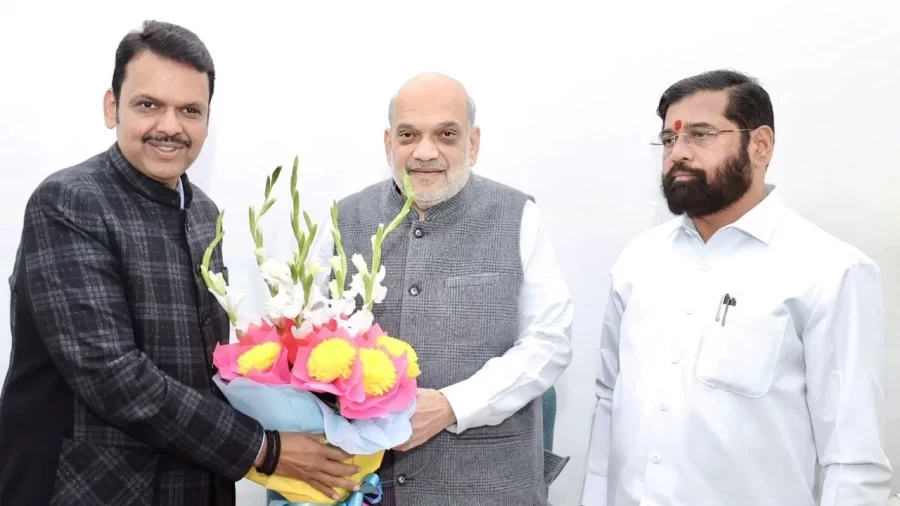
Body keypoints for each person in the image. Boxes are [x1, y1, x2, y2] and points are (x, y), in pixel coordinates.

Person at [0, 20, 362, 506]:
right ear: (111, 107)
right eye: (149, 105)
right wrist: (265, 449)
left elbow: (206, 367)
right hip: (92, 487)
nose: (170, 127)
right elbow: (111, 375)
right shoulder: (69, 202)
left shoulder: (203, 213)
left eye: (190, 110)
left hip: (195, 482)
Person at [582, 69, 892, 506]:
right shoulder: (639, 261)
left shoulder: (829, 271)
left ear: (760, 145)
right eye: (669, 139)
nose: (678, 153)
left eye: (701, 134)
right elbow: (609, 403)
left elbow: (852, 460)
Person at [284, 72, 574, 505]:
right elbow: (303, 336)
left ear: (472, 143)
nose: (424, 151)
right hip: (365, 485)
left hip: (487, 487)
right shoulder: (343, 219)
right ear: (389, 143)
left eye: (446, 134)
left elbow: (549, 341)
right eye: (408, 135)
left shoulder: (518, 216)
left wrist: (453, 405)